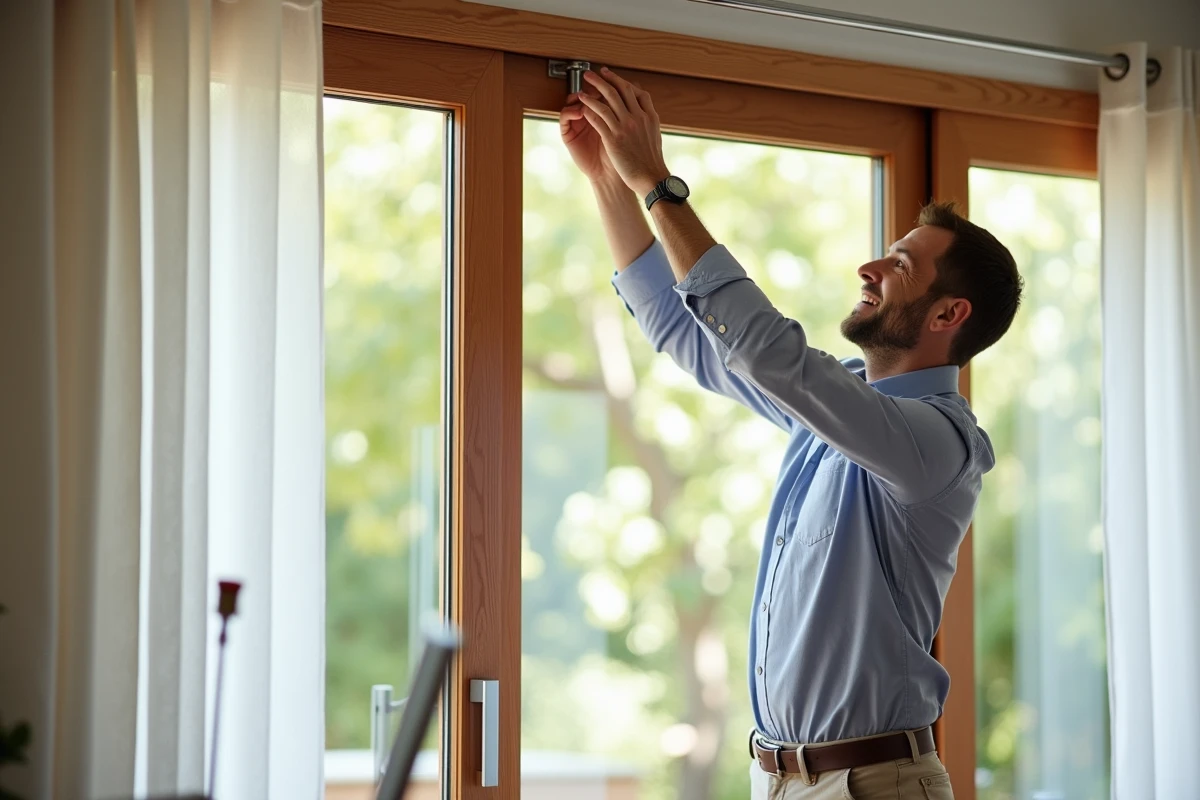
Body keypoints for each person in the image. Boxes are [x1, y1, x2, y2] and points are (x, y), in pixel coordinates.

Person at [560, 66, 1022, 800]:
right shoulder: (830, 418)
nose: (869, 268)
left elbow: (765, 350)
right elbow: (689, 333)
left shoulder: (939, 444)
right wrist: (611, 183)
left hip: (873, 785)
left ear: (947, 316)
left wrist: (658, 183)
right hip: (779, 780)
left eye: (899, 265)